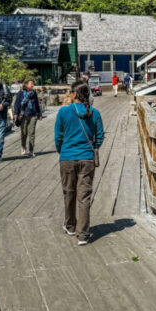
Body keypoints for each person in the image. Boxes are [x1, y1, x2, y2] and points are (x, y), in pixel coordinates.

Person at [55, 82, 104, 245]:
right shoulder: (95, 113)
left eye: (70, 92)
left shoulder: (63, 112)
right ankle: (82, 234)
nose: (69, 94)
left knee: (69, 192)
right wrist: (93, 148)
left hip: (67, 157)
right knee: (84, 196)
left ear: (75, 94)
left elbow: (58, 137)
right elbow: (100, 136)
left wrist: (62, 151)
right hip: (87, 159)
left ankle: (70, 225)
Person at [13, 79, 42, 158]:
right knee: (24, 133)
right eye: (31, 84)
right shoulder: (20, 94)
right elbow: (16, 104)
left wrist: (39, 114)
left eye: (33, 84)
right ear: (26, 85)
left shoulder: (34, 93)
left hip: (33, 115)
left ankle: (31, 150)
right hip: (23, 115)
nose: (32, 85)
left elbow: (36, 104)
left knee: (31, 133)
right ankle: (23, 146)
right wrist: (15, 113)